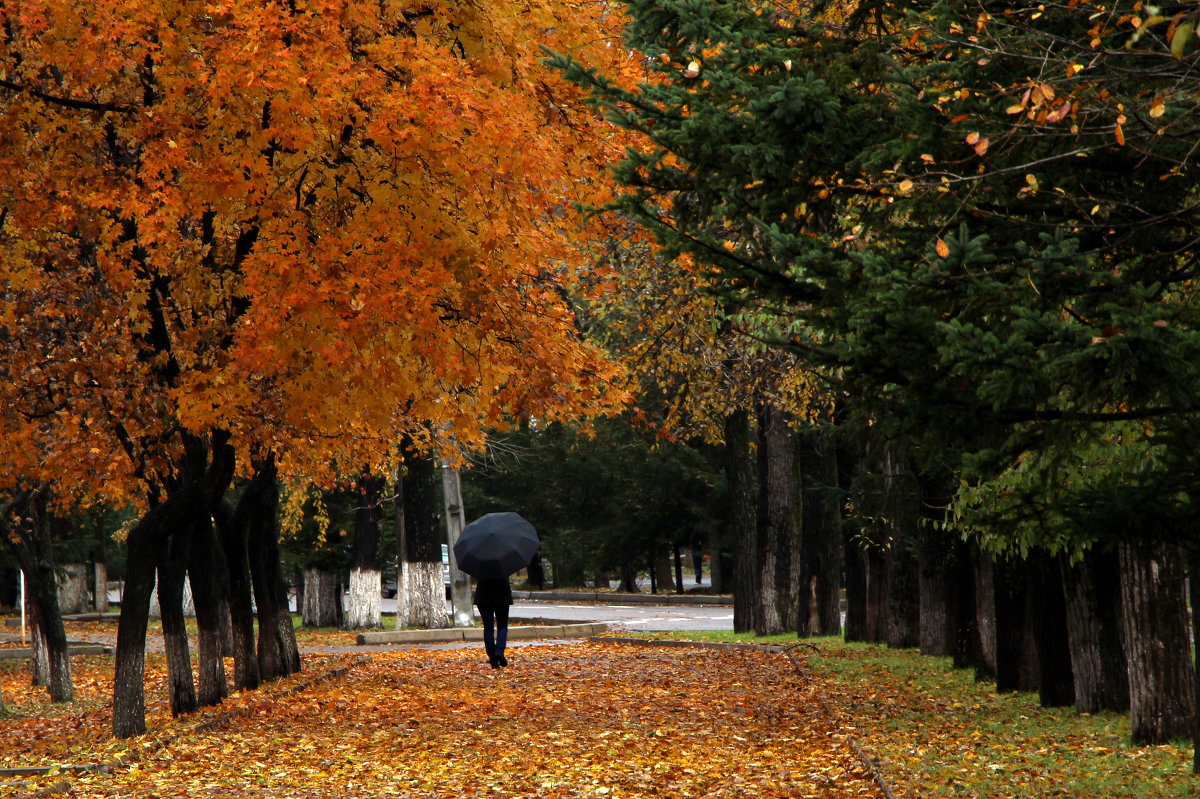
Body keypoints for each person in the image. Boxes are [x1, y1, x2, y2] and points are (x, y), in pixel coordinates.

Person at [474, 576, 513, 668]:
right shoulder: (503, 563)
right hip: (502, 595)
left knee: (488, 627)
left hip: (483, 596)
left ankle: (493, 658)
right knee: (502, 626)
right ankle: (499, 650)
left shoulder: (480, 563)